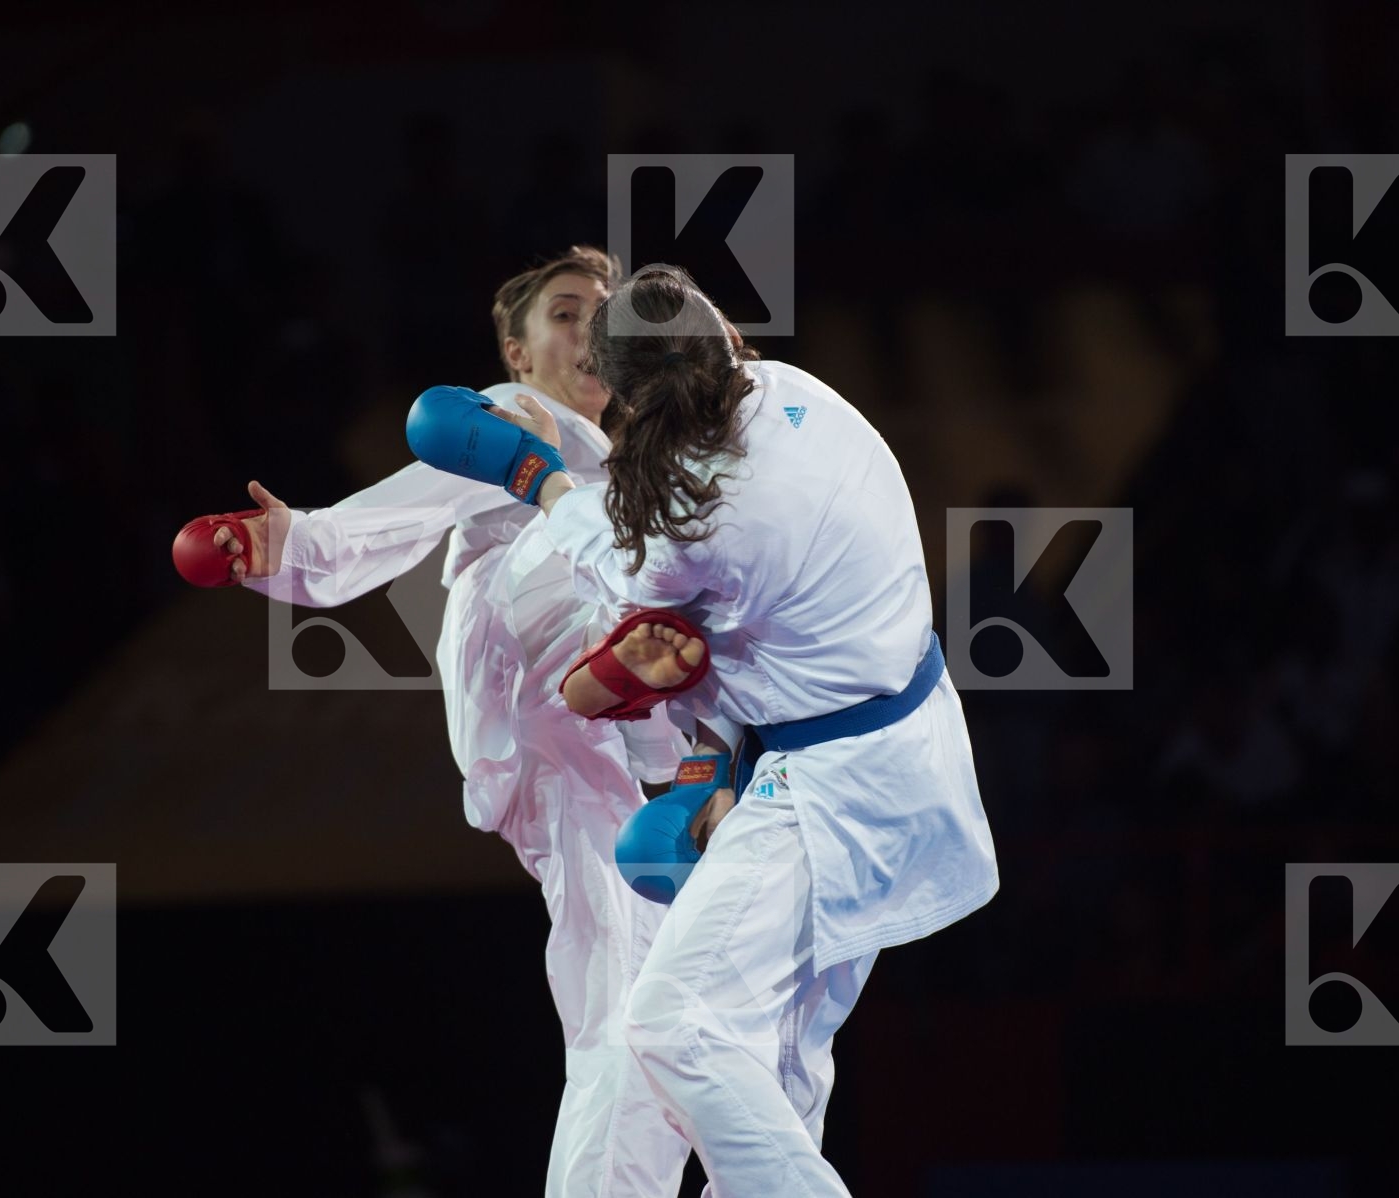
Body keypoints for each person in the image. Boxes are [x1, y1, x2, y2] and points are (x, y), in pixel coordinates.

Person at [408, 266, 1001, 1195]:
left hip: (831, 788)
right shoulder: (797, 391)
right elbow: (707, 625)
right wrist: (705, 761)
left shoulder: (689, 520)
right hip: (906, 745)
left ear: (628, 402)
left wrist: (536, 473)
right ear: (723, 340)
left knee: (675, 1026)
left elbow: (623, 602)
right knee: (775, 1058)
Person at [173, 247, 698, 1197]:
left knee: (643, 1009)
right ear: (517, 349)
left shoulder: (635, 466)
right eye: (567, 314)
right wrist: (294, 544)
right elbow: (410, 504)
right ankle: (621, 667)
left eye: (606, 316)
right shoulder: (512, 417)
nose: (592, 331)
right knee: (625, 1010)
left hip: (603, 751)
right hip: (534, 666)